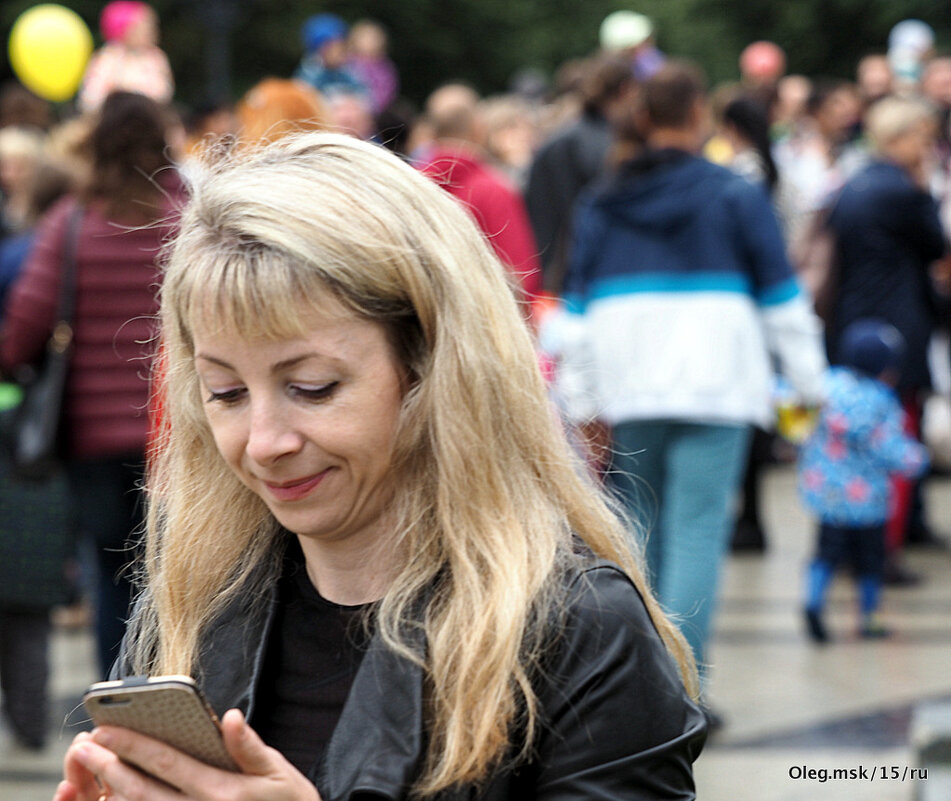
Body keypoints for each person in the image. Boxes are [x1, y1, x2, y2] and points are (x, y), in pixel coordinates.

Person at [53, 131, 705, 801]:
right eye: (225, 392)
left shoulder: (579, 629)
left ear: (434, 369)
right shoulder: (192, 608)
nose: (263, 441)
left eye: (311, 386)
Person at [553, 62, 826, 706]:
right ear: (699, 115)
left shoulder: (604, 199)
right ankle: (682, 691)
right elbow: (784, 302)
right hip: (717, 384)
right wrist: (811, 385)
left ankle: (634, 688)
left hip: (629, 385)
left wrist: (580, 400)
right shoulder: (735, 195)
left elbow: (573, 315)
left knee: (639, 533)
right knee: (698, 530)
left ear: (642, 118)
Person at [0, 92, 181, 678]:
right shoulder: (186, 212)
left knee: (109, 574)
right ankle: (177, 689)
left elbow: (25, 322)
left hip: (93, 438)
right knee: (177, 572)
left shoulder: (74, 221)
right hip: (178, 432)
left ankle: (119, 706)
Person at [825, 95, 948, 580]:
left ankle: (856, 541)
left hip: (854, 318)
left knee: (855, 435)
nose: (926, 146)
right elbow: (937, 245)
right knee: (895, 432)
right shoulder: (903, 191)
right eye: (920, 136)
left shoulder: (853, 184)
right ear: (898, 138)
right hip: (900, 321)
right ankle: (884, 549)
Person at [799, 320, 929, 642]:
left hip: (828, 496)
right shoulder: (882, 402)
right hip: (868, 502)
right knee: (871, 562)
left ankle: (813, 601)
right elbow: (890, 447)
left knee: (825, 553)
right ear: (886, 369)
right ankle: (870, 619)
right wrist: (917, 460)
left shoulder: (825, 387)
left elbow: (796, 417)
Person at [419, 84, 542, 301]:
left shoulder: (410, 187)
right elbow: (523, 276)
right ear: (478, 128)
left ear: (430, 132)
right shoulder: (494, 189)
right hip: (488, 323)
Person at [78, 1, 174, 113]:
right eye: (143, 26)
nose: (150, 32)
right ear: (124, 28)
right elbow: (90, 100)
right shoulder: (107, 59)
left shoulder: (156, 59)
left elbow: (164, 95)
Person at [295, 14, 368, 102]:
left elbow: (365, 95)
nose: (342, 53)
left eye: (343, 48)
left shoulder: (349, 70)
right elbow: (303, 99)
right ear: (320, 50)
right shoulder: (309, 73)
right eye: (335, 49)